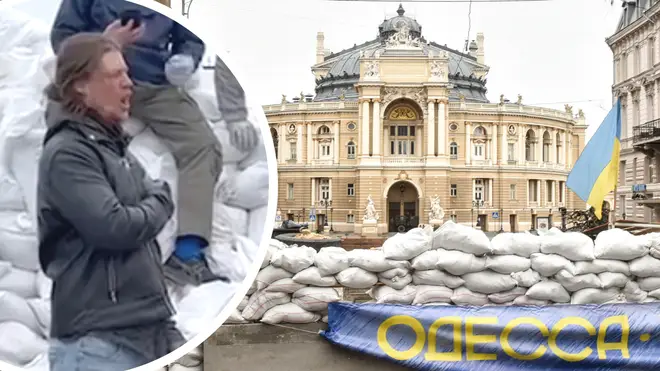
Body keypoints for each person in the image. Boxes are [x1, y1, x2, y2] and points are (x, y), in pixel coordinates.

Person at [38, 32, 185, 371]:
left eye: (128, 74)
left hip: (149, 329)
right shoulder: (68, 153)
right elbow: (115, 227)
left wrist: (153, 203)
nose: (129, 84)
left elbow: (158, 196)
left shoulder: (115, 150)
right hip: (100, 341)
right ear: (80, 85)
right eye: (116, 75)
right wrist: (156, 203)